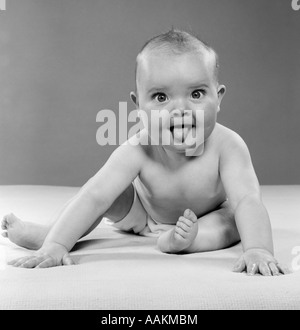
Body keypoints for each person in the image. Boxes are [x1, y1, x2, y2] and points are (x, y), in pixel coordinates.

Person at [1, 29, 288, 275]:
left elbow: (248, 199)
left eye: (196, 94)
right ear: (139, 105)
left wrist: (259, 249)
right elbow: (95, 194)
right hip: (141, 212)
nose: (180, 109)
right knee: (108, 195)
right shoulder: (138, 147)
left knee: (233, 218)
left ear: (218, 97)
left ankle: (188, 240)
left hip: (206, 214)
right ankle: (52, 235)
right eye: (161, 97)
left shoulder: (229, 146)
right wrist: (57, 247)